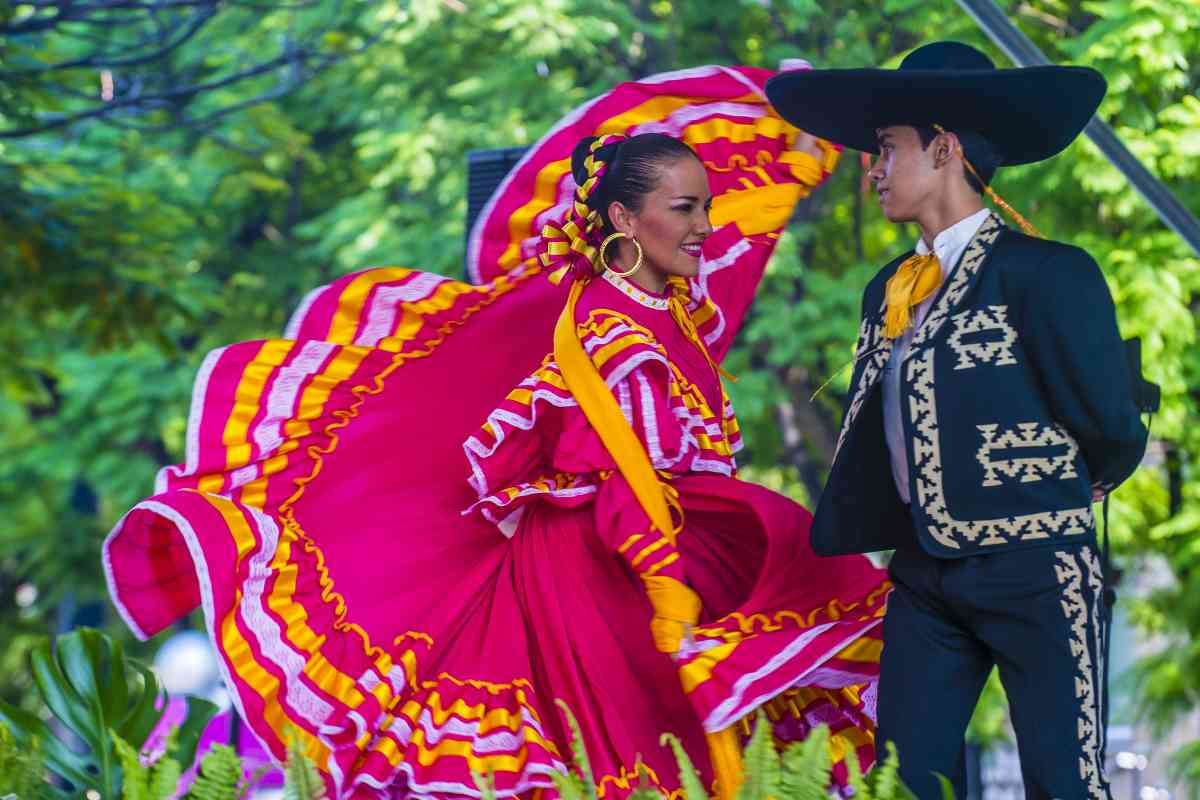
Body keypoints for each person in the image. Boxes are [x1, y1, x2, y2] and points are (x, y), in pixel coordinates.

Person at [104, 68, 891, 800]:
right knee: (619, 755)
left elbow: (734, 267)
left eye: (703, 208)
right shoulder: (605, 325)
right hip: (599, 575)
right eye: (684, 210)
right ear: (623, 218)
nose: (704, 228)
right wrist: (668, 587)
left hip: (636, 559)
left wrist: (799, 148)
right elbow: (608, 471)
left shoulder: (665, 315)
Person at [765, 41, 1149, 799]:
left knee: (1063, 783)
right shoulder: (887, 289)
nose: (873, 170)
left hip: (1036, 568)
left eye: (886, 150)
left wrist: (1069, 487)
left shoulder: (1048, 272)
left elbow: (1110, 422)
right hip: (924, 576)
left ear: (942, 149)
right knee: (902, 784)